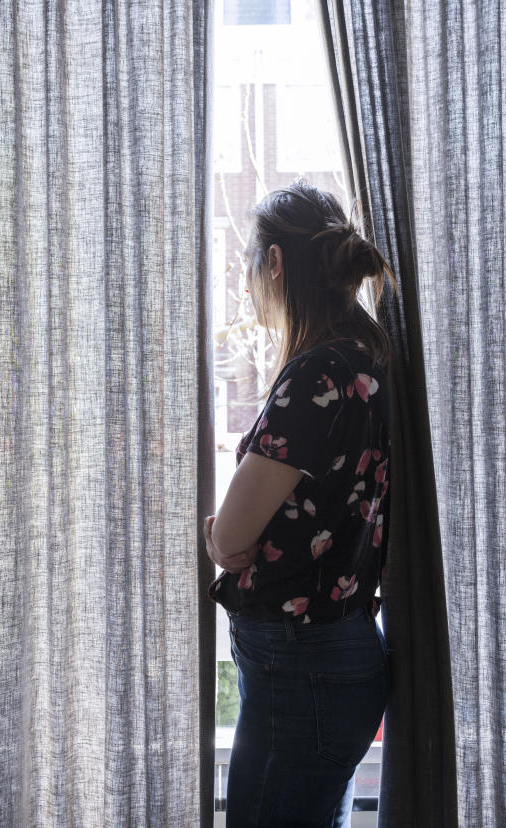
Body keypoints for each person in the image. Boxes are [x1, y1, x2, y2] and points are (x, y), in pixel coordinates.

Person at [205, 179, 397, 827]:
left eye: (251, 264)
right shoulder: (370, 360)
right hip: (334, 656)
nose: (248, 281)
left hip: (301, 670)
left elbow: (230, 538)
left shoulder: (316, 375)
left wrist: (217, 537)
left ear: (277, 263)